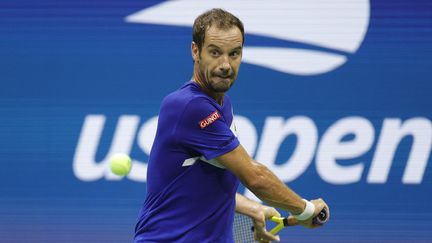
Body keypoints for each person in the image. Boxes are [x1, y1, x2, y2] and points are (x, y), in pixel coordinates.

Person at [134, 8, 330, 243]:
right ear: (195, 51)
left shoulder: (221, 105)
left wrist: (250, 207)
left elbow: (198, 182)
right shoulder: (190, 106)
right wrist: (305, 210)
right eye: (215, 53)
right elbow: (255, 177)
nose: (225, 64)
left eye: (234, 54)